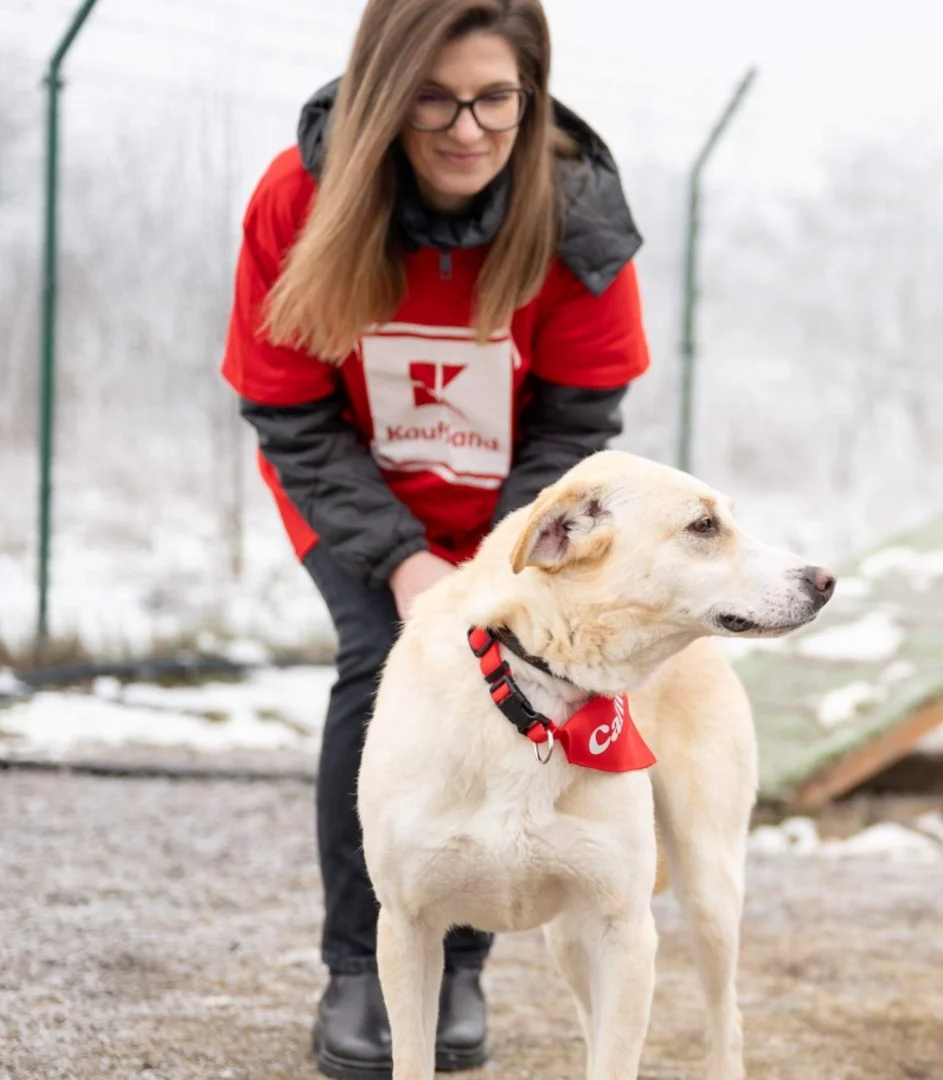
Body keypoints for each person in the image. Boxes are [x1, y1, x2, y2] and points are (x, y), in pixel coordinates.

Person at [218, 2, 650, 1076]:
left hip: (517, 514)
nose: (468, 128)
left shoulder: (579, 215)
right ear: (382, 96)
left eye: (497, 98)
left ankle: (459, 965)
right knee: (385, 665)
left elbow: (579, 425)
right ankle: (362, 968)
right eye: (434, 97)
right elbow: (290, 411)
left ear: (531, 95)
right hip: (357, 493)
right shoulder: (298, 200)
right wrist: (406, 561)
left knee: (521, 682)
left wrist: (499, 567)